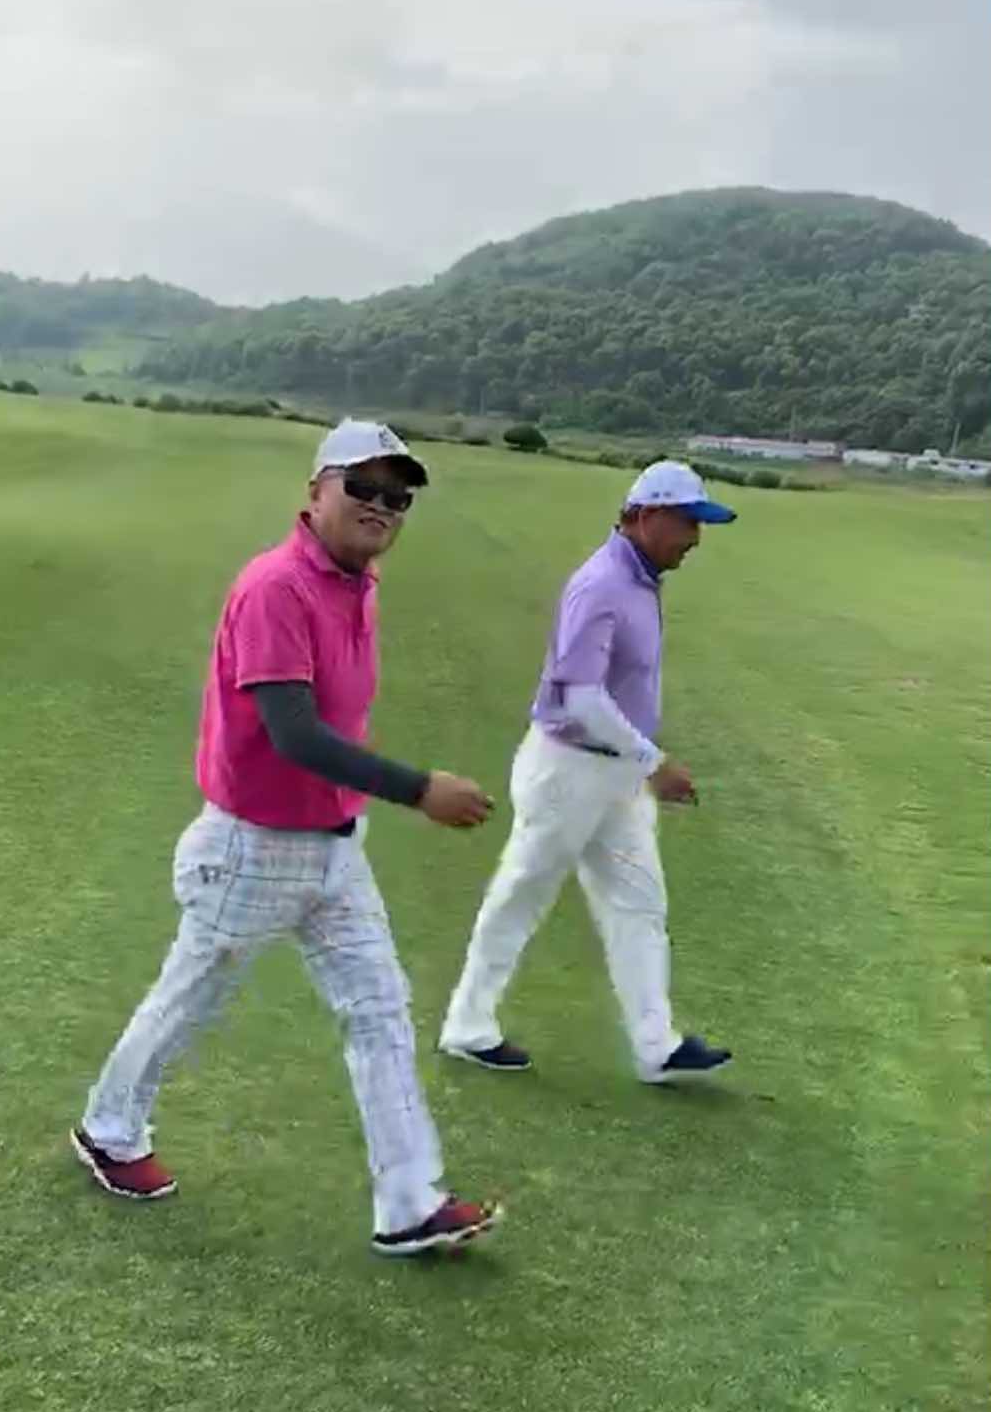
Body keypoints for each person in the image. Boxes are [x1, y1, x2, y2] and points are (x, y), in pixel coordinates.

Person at [73, 419, 499, 1259]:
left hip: (336, 849)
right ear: (315, 492)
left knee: (380, 1010)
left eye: (397, 497)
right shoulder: (276, 586)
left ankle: (409, 1202)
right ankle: (108, 1130)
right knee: (188, 1001)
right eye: (362, 487)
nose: (381, 507)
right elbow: (294, 734)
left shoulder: (357, 583)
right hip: (253, 850)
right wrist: (421, 790)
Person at [439, 461, 735, 1080]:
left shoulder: (641, 581)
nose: (695, 538)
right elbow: (581, 698)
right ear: (646, 516)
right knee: (522, 894)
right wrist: (654, 762)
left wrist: (639, 763)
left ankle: (656, 1047)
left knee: (639, 903)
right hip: (567, 770)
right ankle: (467, 1025)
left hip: (614, 775)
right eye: (687, 522)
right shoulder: (601, 584)